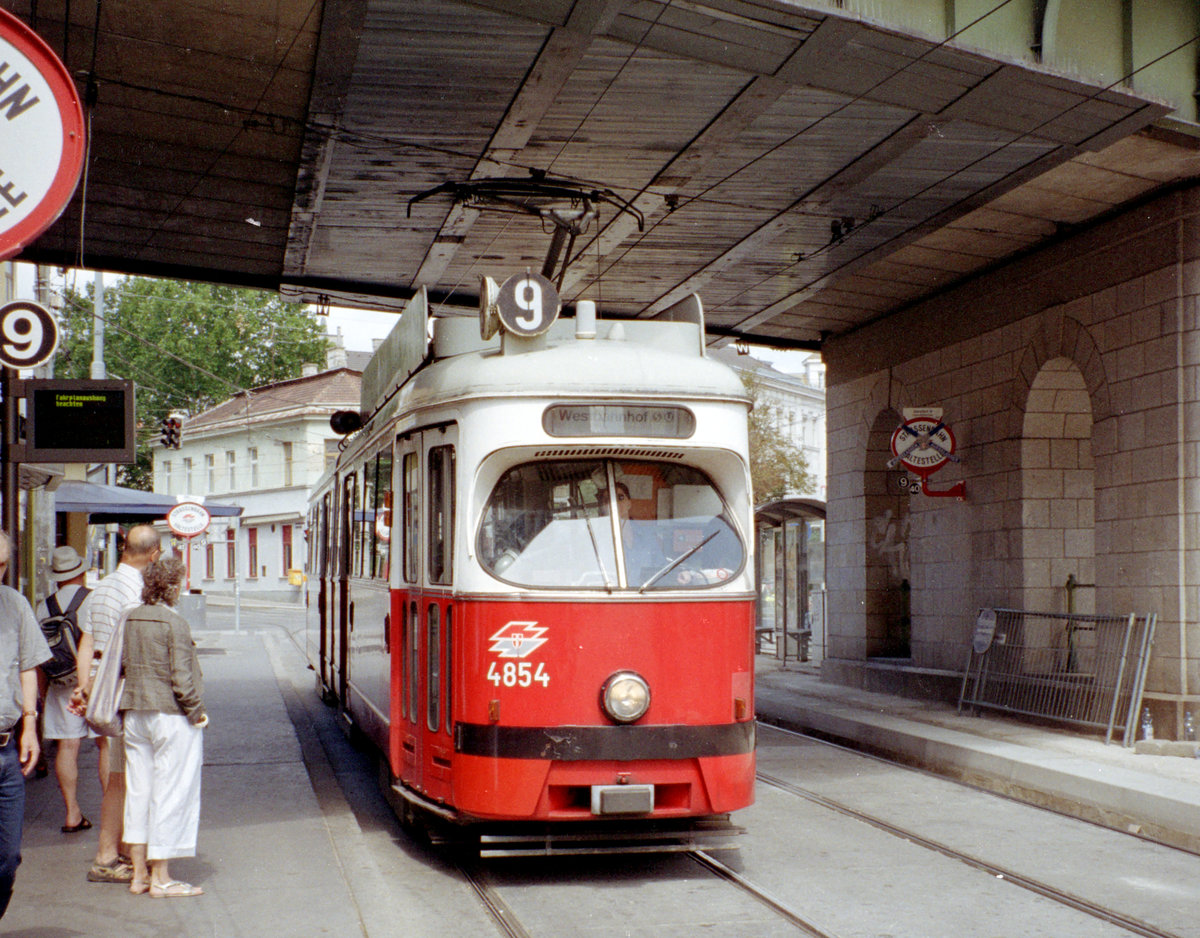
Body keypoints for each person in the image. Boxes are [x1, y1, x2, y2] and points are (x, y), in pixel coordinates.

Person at [71, 524, 162, 884]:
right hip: (125, 693)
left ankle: (117, 850)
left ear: (125, 547)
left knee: (119, 778)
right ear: (154, 555)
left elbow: (89, 642)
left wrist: (85, 687)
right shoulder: (137, 593)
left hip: (103, 690)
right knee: (128, 778)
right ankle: (110, 855)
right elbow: (126, 651)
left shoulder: (103, 586)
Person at [120, 555, 207, 898]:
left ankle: (139, 874)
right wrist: (197, 713)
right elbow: (182, 681)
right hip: (170, 716)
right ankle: (162, 879)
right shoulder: (175, 623)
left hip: (135, 712)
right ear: (172, 586)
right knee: (172, 792)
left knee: (139, 793)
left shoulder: (131, 618)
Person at [0, 531, 52, 920]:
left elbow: (28, 666)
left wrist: (31, 725)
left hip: (5, 751)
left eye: (1, 565)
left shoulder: (14, 604)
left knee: (7, 859)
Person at [35, 546, 92, 834]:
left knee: (67, 748)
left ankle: (72, 812)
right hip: (93, 683)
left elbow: (38, 658)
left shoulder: (43, 607)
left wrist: (41, 699)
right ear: (81, 571)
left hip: (60, 686)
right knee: (106, 745)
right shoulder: (93, 600)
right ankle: (113, 810)